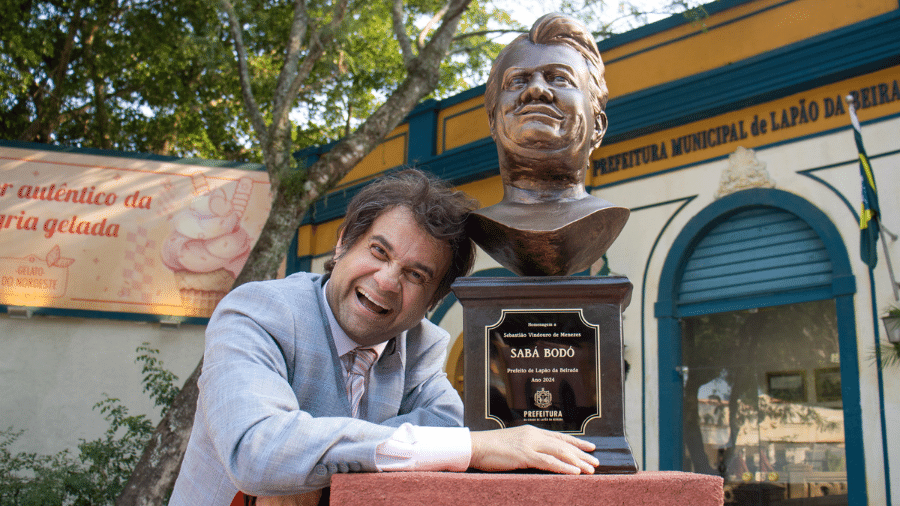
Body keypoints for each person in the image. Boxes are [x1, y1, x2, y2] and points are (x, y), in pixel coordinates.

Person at [168, 169, 600, 506]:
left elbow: (448, 425)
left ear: (433, 299)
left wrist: (310, 463)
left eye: (416, 275)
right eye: (379, 251)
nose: (388, 281)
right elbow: (258, 452)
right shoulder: (256, 313)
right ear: (342, 245)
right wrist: (466, 448)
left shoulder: (423, 346)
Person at [469, 13, 629, 276]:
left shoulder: (603, 221)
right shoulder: (480, 226)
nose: (536, 90)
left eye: (559, 78)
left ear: (598, 127)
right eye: (517, 80)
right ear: (492, 122)